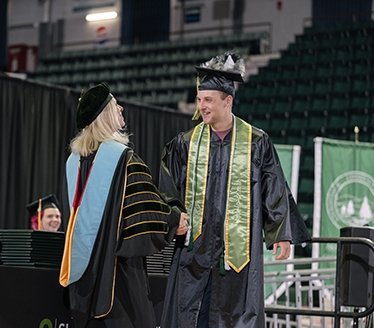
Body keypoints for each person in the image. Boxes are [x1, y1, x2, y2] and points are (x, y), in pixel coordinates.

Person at [158, 52, 311, 327]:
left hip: (237, 255)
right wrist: (174, 215)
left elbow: (274, 186)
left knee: (235, 317)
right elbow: (168, 190)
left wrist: (281, 232)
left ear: (228, 101)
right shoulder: (185, 143)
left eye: (208, 100)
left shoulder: (256, 142)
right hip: (195, 252)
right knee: (191, 316)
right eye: (199, 99)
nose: (201, 106)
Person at [59, 82, 188, 328]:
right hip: (119, 274)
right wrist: (173, 219)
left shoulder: (74, 161)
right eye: (116, 106)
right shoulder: (122, 158)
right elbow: (144, 209)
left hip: (85, 274)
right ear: (105, 115)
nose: (122, 109)